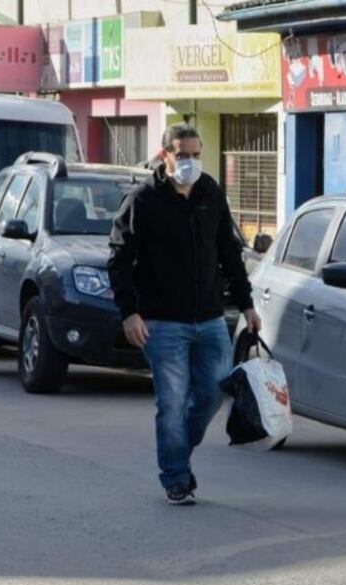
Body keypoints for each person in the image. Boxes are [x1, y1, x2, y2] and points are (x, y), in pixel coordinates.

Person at [108, 123, 261, 505]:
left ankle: (176, 452)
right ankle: (176, 477)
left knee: (212, 394)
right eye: (182, 155)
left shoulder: (210, 192)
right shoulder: (143, 199)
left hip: (209, 319)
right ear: (165, 156)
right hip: (161, 322)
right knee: (173, 402)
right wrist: (129, 313)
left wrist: (246, 303)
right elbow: (120, 258)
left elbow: (229, 253)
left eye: (196, 154)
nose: (190, 161)